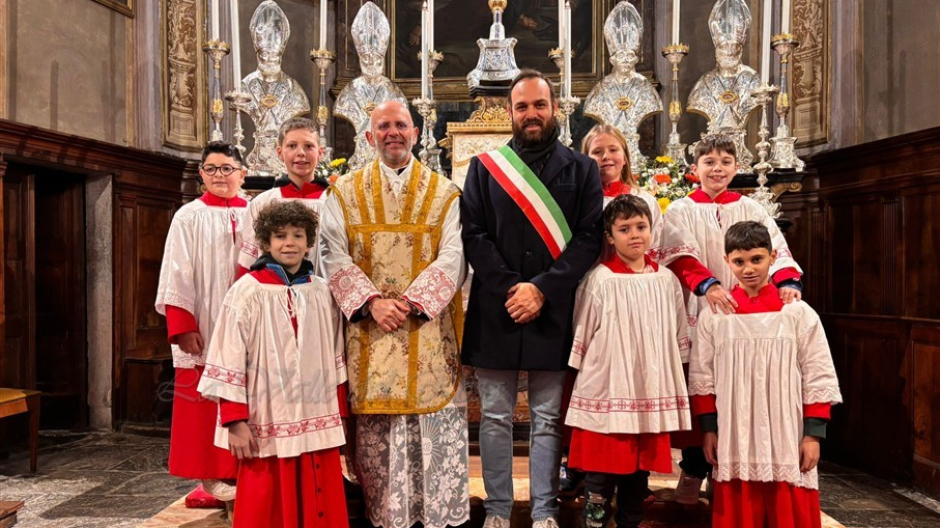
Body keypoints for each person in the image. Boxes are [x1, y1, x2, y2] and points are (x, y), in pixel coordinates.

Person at [461, 69, 604, 528]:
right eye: (522, 106)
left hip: (553, 308)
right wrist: (511, 288)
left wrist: (542, 288)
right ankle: (499, 509)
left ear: (555, 108)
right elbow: (474, 236)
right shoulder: (484, 168)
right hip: (497, 307)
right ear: (509, 113)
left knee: (545, 418)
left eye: (539, 105)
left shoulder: (582, 169)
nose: (531, 114)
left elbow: (588, 238)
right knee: (497, 418)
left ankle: (544, 510)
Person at [319, 100, 469, 528]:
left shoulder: (444, 193)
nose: (393, 133)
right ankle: (385, 518)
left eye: (401, 125)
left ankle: (435, 518)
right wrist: (371, 302)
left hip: (427, 330)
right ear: (369, 137)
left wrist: (414, 302)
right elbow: (331, 254)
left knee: (431, 433)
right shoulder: (343, 193)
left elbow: (455, 256)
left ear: (416, 133)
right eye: (383, 126)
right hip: (371, 332)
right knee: (379, 444)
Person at [659, 133, 804, 503]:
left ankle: (733, 475)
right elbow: (678, 256)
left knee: (740, 391)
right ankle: (693, 470)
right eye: (709, 162)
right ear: (695, 170)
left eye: (725, 161)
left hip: (748, 313)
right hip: (702, 306)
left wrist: (787, 283)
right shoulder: (679, 209)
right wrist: (708, 286)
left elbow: (775, 249)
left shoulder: (751, 208)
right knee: (703, 389)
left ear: (735, 168)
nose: (717, 168)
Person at [198, 201, 350, 528]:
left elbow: (336, 356)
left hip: (316, 415)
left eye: (298, 235)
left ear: (310, 242)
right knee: (266, 500)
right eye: (280, 236)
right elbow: (227, 357)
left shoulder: (322, 292)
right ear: (266, 243)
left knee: (319, 497)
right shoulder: (246, 292)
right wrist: (234, 421)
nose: (290, 243)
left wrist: (339, 414)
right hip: (264, 415)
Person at [689, 220, 842, 528]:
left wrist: (813, 433)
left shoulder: (796, 313)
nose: (748, 269)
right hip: (735, 430)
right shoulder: (715, 315)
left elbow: (818, 373)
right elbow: (701, 375)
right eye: (739, 261)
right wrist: (709, 428)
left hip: (786, 429)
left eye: (757, 259)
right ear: (727, 261)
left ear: (773, 258)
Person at [566, 195, 692, 528]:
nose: (634, 235)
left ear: (652, 229)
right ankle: (593, 523)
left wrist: (676, 365)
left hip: (648, 387)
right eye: (624, 229)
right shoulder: (599, 279)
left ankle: (630, 523)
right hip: (607, 386)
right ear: (609, 236)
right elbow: (583, 329)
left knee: (638, 471)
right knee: (599, 471)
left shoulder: (666, 280)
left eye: (641, 226)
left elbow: (678, 326)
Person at [155, 141, 246, 511]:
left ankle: (245, 474)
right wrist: (183, 325)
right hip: (205, 323)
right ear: (201, 175)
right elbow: (176, 271)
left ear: (243, 172)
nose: (219, 176)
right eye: (211, 169)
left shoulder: (258, 212)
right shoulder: (188, 216)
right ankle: (213, 478)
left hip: (249, 324)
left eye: (227, 168)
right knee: (206, 404)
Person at [238, 117, 329, 277]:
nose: (301, 153)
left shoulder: (334, 202)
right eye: (292, 146)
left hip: (325, 296)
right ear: (280, 152)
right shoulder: (262, 203)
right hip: (272, 296)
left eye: (308, 146)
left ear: (320, 152)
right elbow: (248, 262)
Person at [582, 124, 663, 257]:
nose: (605, 157)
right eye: (597, 152)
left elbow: (656, 243)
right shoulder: (580, 201)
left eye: (613, 150)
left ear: (625, 158)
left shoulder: (645, 200)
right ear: (585, 160)